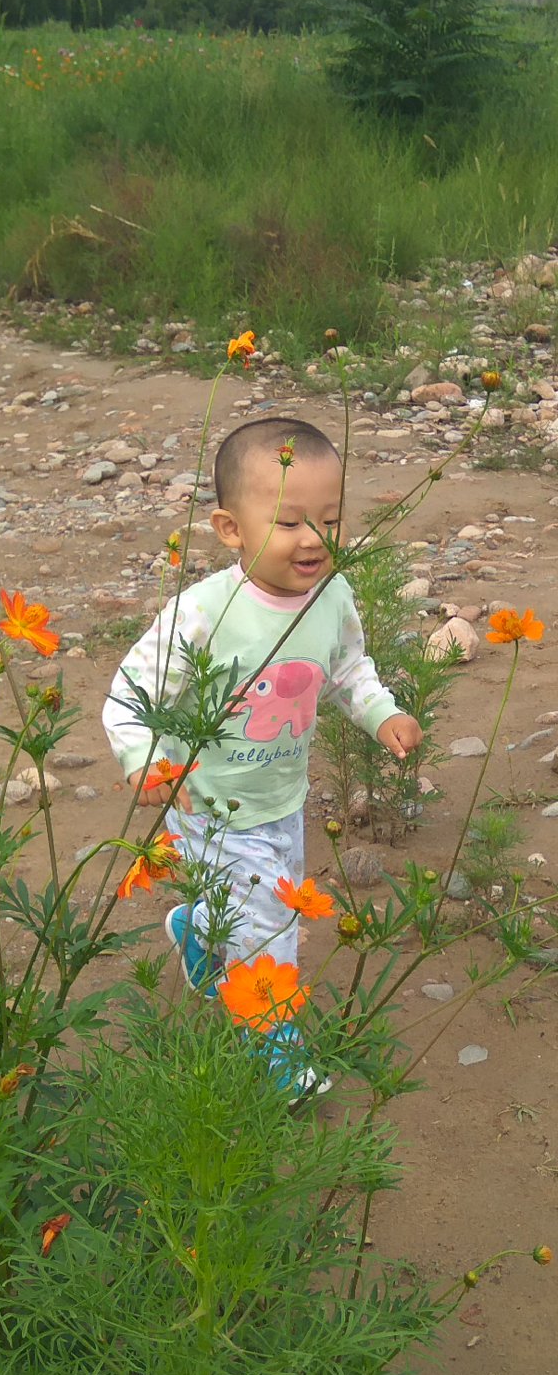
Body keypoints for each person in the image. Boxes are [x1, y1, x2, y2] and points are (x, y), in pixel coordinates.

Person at [101, 417, 422, 1087]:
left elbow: (347, 669)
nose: (313, 539)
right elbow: (133, 690)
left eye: (329, 521)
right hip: (209, 804)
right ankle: (273, 1049)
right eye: (289, 522)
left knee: (258, 908)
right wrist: (143, 756)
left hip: (281, 798)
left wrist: (381, 712)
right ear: (231, 528)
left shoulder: (332, 595)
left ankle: (197, 931)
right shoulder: (204, 612)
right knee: (270, 928)